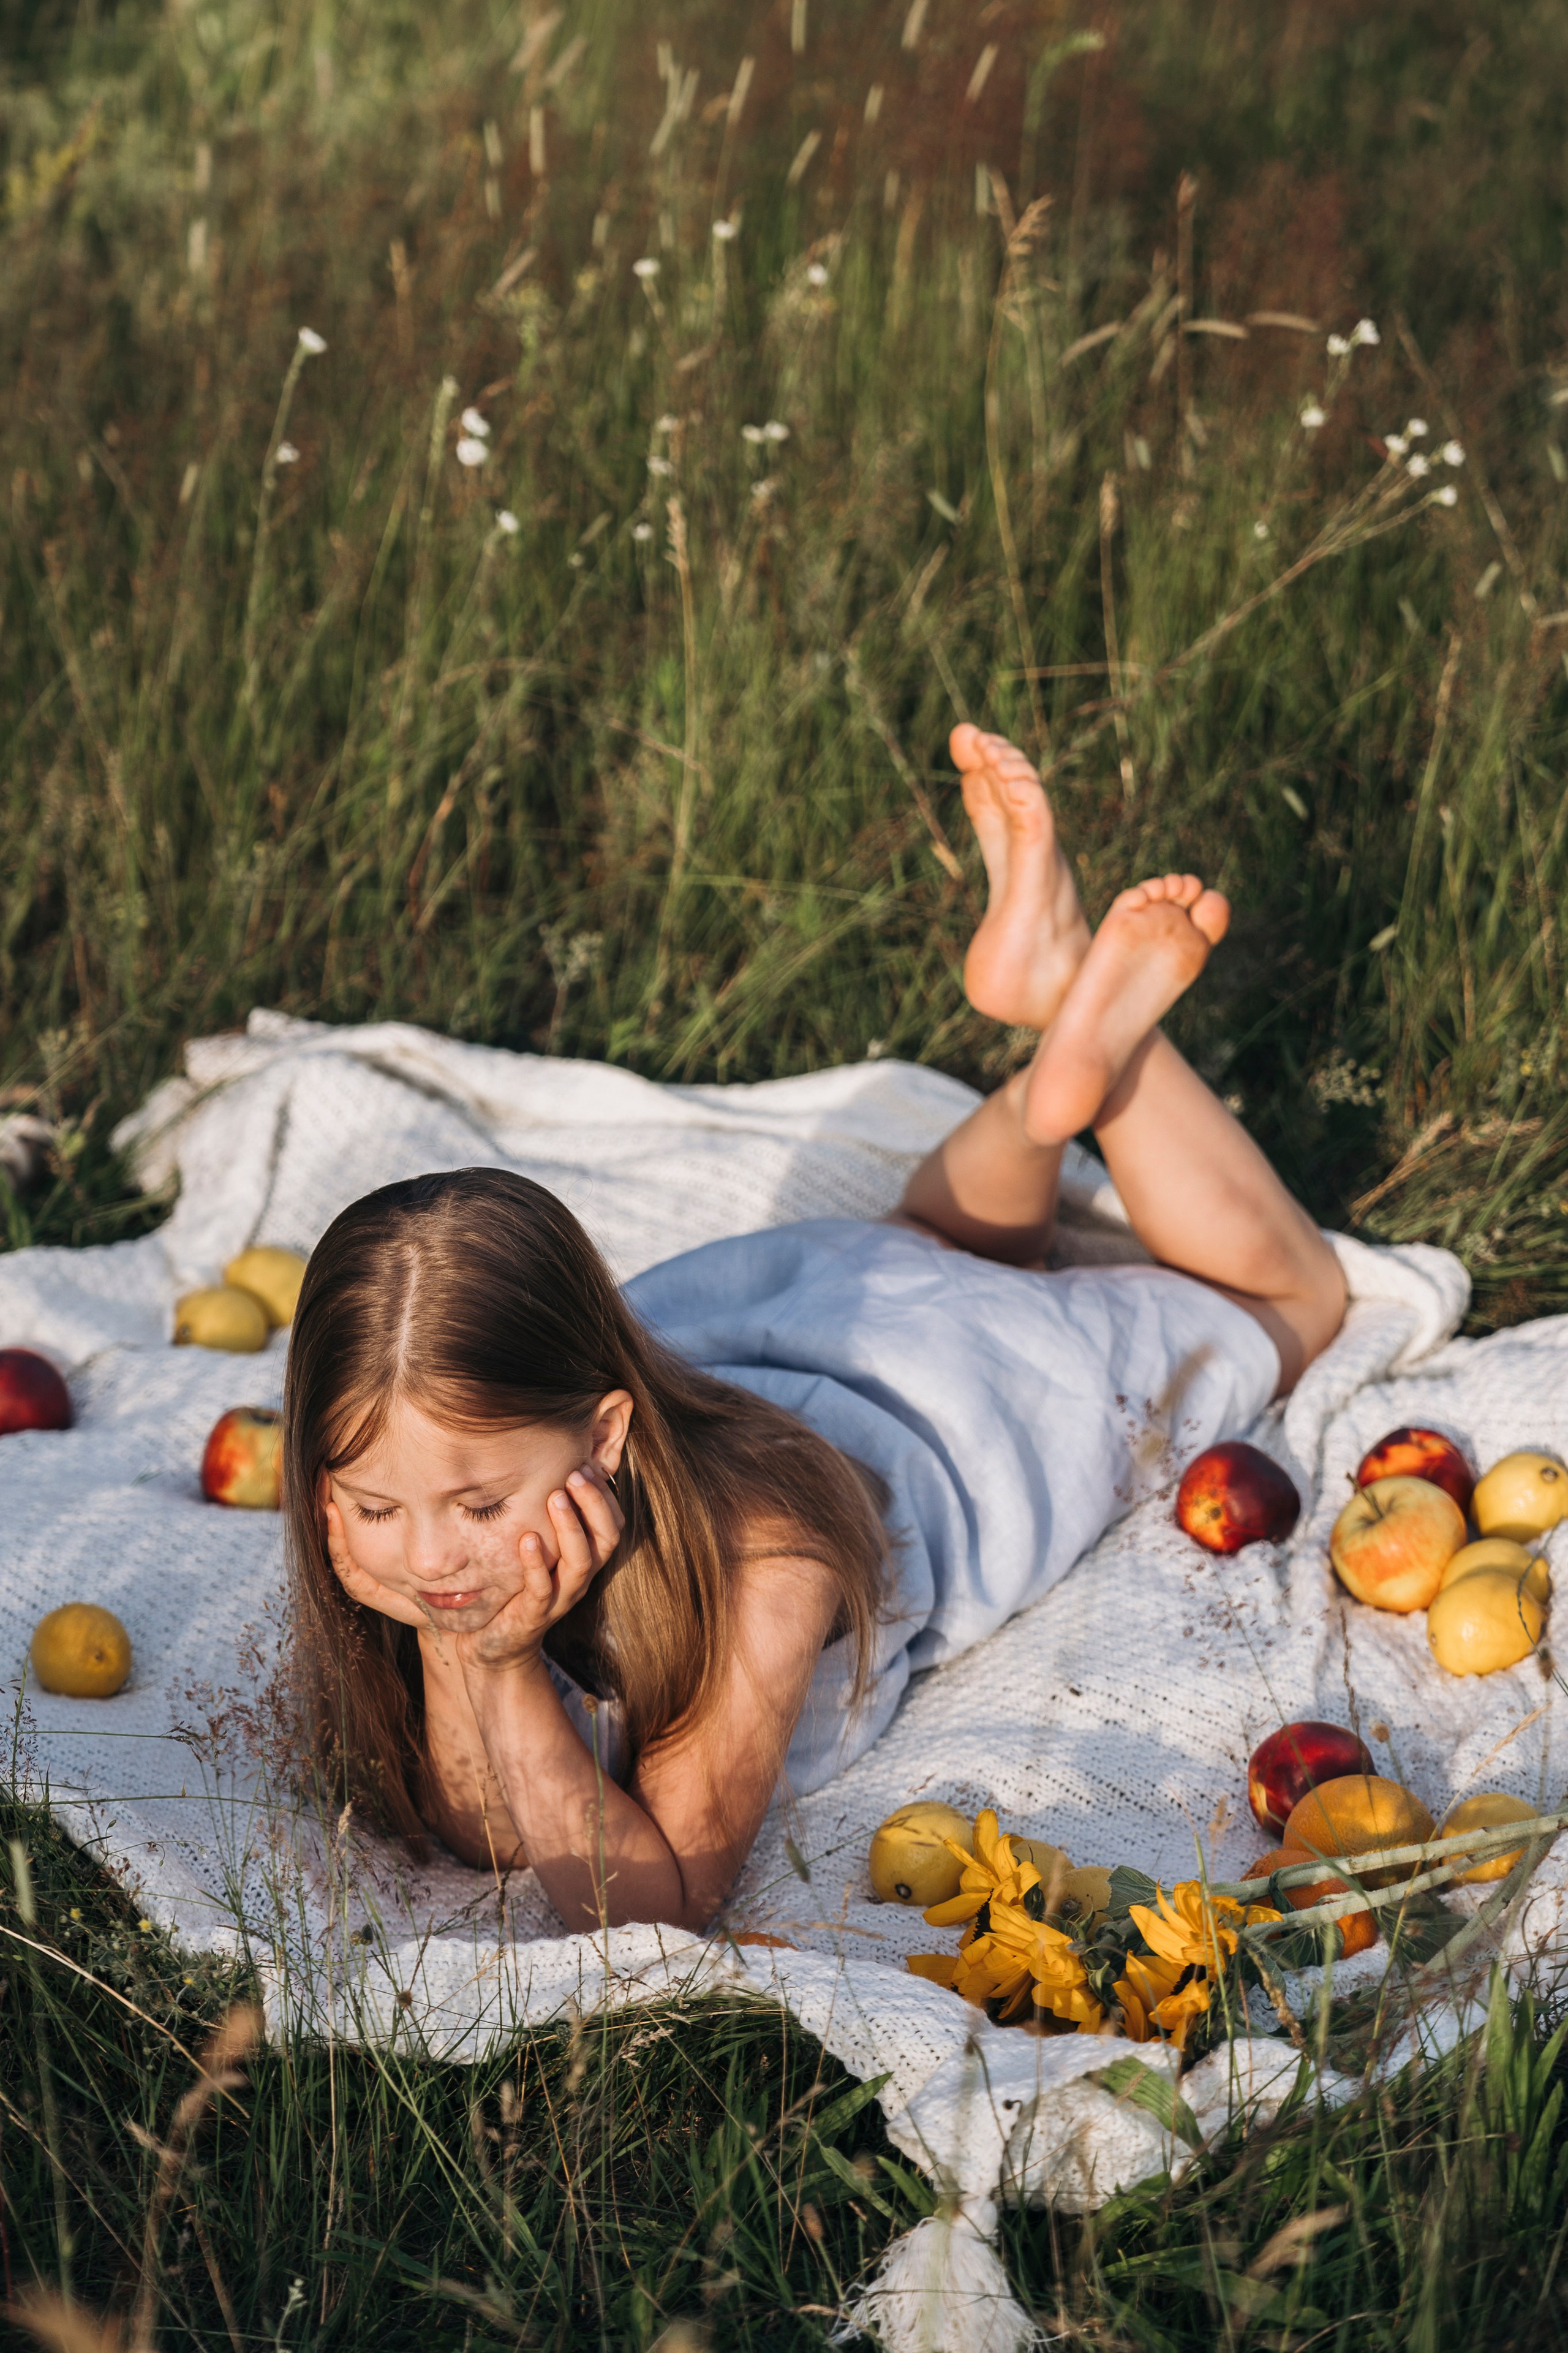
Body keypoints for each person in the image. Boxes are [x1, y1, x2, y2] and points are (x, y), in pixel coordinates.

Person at [282, 727, 1346, 1935]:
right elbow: (479, 1824)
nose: (426, 1559)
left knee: (1292, 1303)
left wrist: (489, 1662)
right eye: (372, 1507)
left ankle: (1101, 1056)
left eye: (476, 1509)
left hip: (959, 1399)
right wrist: (458, 1634)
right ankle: (1044, 1051)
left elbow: (657, 1907)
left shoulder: (762, 1567)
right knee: (925, 1234)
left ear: (604, 1436)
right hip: (818, 1303)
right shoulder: (453, 1480)